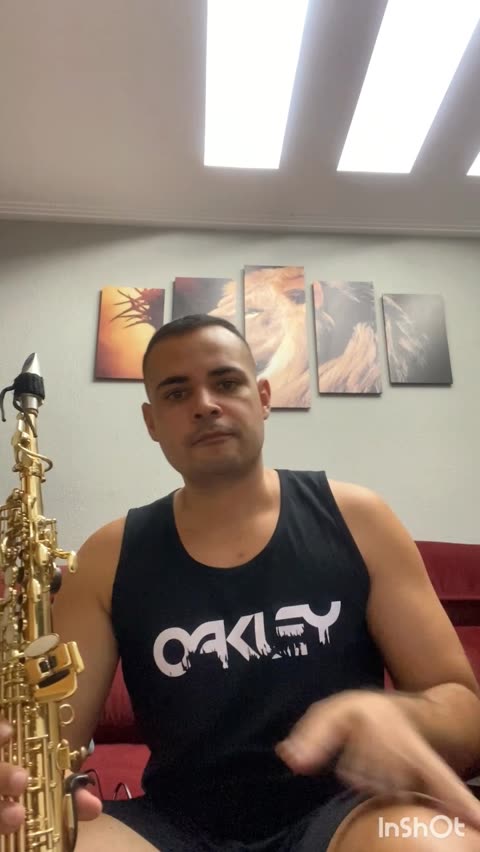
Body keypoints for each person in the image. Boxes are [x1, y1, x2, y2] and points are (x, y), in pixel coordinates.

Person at [1, 314, 480, 852]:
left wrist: (397, 714)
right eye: (176, 393)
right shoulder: (105, 557)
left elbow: (465, 714)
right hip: (171, 824)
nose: (205, 404)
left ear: (264, 397)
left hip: (345, 813)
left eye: (227, 383)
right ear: (151, 421)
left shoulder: (360, 519)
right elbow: (47, 748)